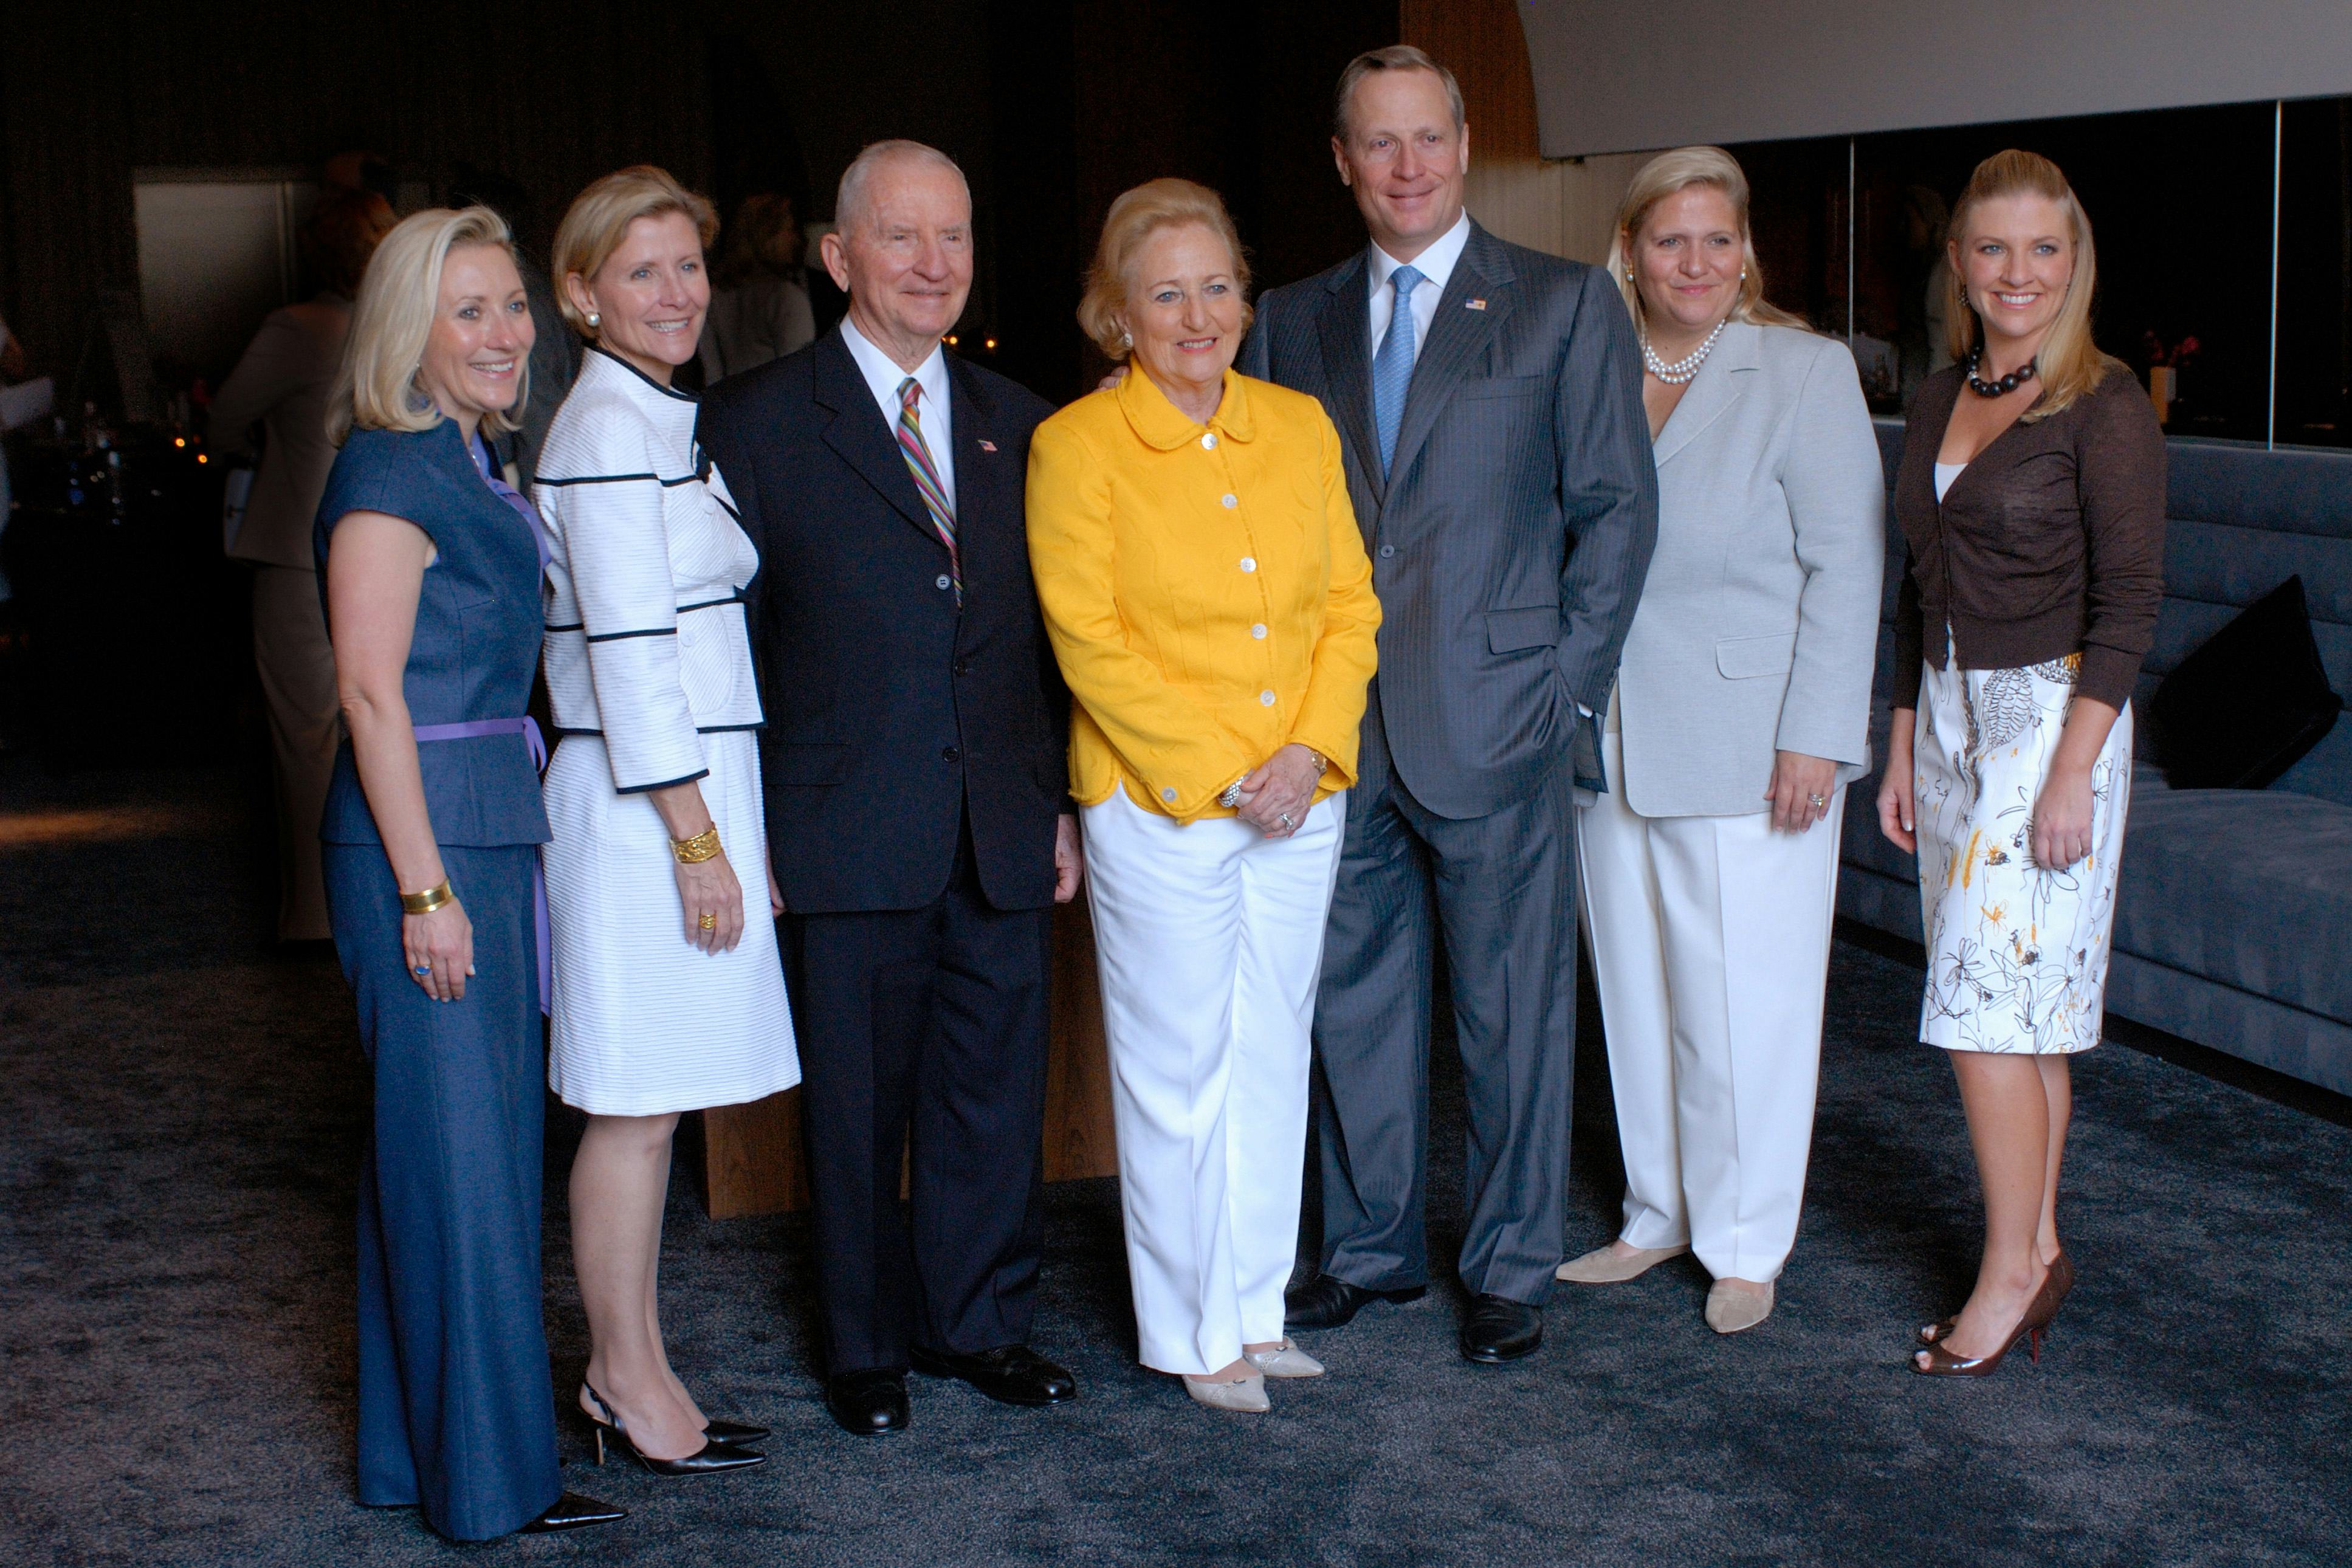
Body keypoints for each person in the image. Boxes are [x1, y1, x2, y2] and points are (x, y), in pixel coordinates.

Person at [1243, 46, 1657, 1364]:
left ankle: (1509, 1265)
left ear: (1467, 146)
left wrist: (1566, 691)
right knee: (1350, 1000)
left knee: (1512, 1012)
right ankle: (1368, 1252)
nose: (1407, 165)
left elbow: (1617, 510)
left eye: (1428, 137)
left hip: (1501, 714)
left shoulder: (1563, 303)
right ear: (1343, 161)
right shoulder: (1286, 319)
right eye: (1380, 141)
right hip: (1334, 729)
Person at [698, 140, 1083, 1437]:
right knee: (857, 1108)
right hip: (841, 821)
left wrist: (1057, 802)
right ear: (837, 256)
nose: (933, 263)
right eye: (902, 236)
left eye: (954, 236)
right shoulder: (751, 423)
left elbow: (1046, 638)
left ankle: (979, 1322)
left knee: (992, 1094)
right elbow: (733, 649)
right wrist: (744, 828)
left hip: (1001, 821)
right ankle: (863, 1347)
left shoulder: (1025, 422)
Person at [1029, 179, 1380, 1413]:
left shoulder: (1299, 425)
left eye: (1217, 287)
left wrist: (1308, 754)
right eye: (1167, 294)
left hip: (1301, 794)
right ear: (1117, 315)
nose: (1198, 316)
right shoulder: (1077, 446)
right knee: (1177, 1072)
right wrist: (1234, 772)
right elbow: (1091, 639)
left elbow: (1350, 607)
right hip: (1162, 804)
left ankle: (1255, 1308)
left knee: (1273, 1051)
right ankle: (1189, 1330)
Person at [315, 205, 617, 1537]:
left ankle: (415, 1459)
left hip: (484, 824)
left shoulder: (473, 459)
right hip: (426, 840)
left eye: (512, 305)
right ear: (410, 332)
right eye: (470, 311)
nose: (505, 333)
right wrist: (425, 890)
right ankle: (492, 1488)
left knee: (452, 1160)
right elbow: (369, 695)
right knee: (464, 1172)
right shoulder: (390, 469)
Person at [1556, 148, 1883, 1335]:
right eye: (1669, 240)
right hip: (1609, 735)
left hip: (1753, 738)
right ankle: (1658, 1211)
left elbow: (1848, 565)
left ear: (1745, 253)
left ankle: (1745, 1243)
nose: (1694, 261)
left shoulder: (1803, 371)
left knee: (1746, 1000)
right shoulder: (1589, 366)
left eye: (1717, 238)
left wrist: (1818, 737)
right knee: (1637, 988)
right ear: (1630, 253)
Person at [1879, 150, 2164, 1376]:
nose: (2018, 273)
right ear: (1959, 262)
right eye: (1993, 248)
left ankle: (2004, 1277)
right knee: (2024, 1016)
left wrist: (2069, 773)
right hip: (1950, 718)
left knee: (1982, 1013)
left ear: (2075, 260)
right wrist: (1903, 738)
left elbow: (2132, 603)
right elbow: (1917, 586)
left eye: (2044, 249)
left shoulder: (2104, 405)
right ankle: (2038, 1247)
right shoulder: (1941, 395)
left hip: (2053, 719)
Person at [537, 166, 795, 1475]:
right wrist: (701, 845)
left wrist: (733, 834)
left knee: (651, 1107)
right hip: (644, 807)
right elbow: (634, 660)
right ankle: (623, 1379)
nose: (678, 292)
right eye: (642, 272)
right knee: (632, 1104)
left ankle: (631, 1367)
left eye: (687, 264)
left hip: (687, 791)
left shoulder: (650, 412)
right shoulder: (603, 427)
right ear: (581, 294)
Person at [212, 188, 396, 942]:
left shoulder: (296, 328)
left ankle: (317, 917)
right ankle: (380, 897)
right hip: (390, 550)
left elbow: (225, 419)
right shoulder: (400, 330)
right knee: (382, 721)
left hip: (299, 555)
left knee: (307, 738)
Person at [700, 193, 817, 382]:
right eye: (788, 230)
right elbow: (799, 376)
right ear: (767, 237)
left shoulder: (715, 296)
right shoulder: (786, 297)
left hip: (731, 398)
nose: (795, 239)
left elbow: (712, 373)